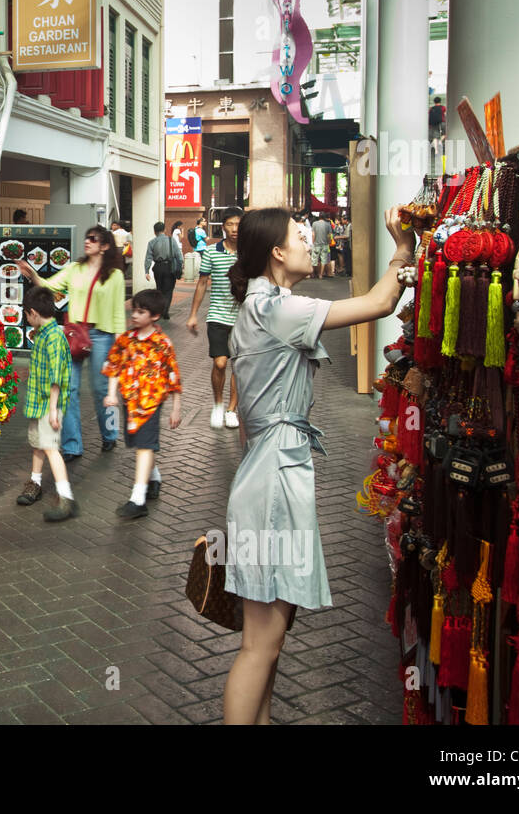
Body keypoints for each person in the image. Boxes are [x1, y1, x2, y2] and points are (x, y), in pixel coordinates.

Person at [220, 205, 414, 724]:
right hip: (274, 480)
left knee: (271, 640)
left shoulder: (261, 309)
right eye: (300, 236)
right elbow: (379, 301)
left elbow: (245, 424)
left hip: (266, 473)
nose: (311, 242)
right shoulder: (277, 311)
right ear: (277, 252)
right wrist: (402, 248)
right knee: (260, 643)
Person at [19, 225, 126, 458]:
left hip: (103, 335)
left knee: (102, 390)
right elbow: (50, 285)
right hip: (75, 333)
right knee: (69, 389)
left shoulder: (115, 275)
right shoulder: (74, 269)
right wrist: (33, 274)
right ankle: (71, 445)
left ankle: (110, 433)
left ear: (105, 245)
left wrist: (121, 343)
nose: (87, 242)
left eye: (93, 238)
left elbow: (118, 312)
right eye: (86, 238)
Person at [102, 288, 183, 520]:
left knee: (144, 446)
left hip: (151, 403)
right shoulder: (126, 340)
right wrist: (111, 394)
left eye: (141, 312)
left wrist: (176, 406)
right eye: (134, 310)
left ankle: (138, 499)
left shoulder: (162, 343)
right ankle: (154, 476)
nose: (134, 315)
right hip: (130, 401)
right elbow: (114, 366)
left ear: (155, 316)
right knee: (140, 444)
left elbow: (173, 375)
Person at [16, 288, 77, 521]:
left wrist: (53, 410)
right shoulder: (43, 333)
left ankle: (65, 498)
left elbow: (56, 378)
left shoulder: (53, 337)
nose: (26, 318)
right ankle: (36, 482)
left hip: (48, 405)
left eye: (26, 314)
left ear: (32, 312)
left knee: (51, 448)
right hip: (39, 402)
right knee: (39, 444)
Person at [185, 207, 242, 429]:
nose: (235, 229)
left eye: (238, 224)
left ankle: (231, 409)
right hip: (217, 314)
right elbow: (202, 283)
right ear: (223, 226)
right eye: (230, 224)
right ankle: (218, 404)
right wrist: (192, 315)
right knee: (220, 363)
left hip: (243, 316)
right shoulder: (211, 252)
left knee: (238, 365)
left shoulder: (249, 253)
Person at [143, 221, 183, 319]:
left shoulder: (152, 242)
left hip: (157, 268)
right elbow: (178, 255)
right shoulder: (171, 240)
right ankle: (165, 311)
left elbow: (148, 257)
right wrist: (181, 265)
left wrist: (147, 271)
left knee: (160, 289)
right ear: (164, 230)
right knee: (168, 290)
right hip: (169, 267)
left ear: (154, 231)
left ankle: (160, 310)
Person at [310, 212, 333, 279]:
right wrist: (329, 241)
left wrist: (313, 242)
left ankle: (313, 274)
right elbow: (329, 235)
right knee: (323, 260)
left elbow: (313, 234)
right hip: (325, 244)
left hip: (316, 244)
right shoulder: (328, 224)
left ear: (319, 216)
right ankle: (321, 274)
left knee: (314, 259)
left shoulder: (314, 223)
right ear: (325, 217)